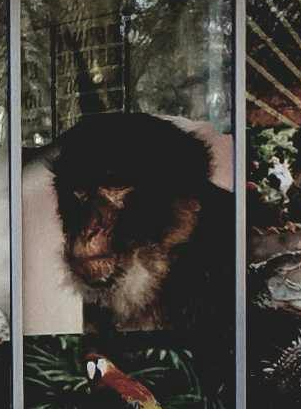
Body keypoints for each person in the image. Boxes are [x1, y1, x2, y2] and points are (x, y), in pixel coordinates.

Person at [22, 109, 231, 333]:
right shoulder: (112, 288)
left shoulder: (235, 245)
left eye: (114, 192)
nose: (88, 232)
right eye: (81, 195)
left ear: (188, 201)